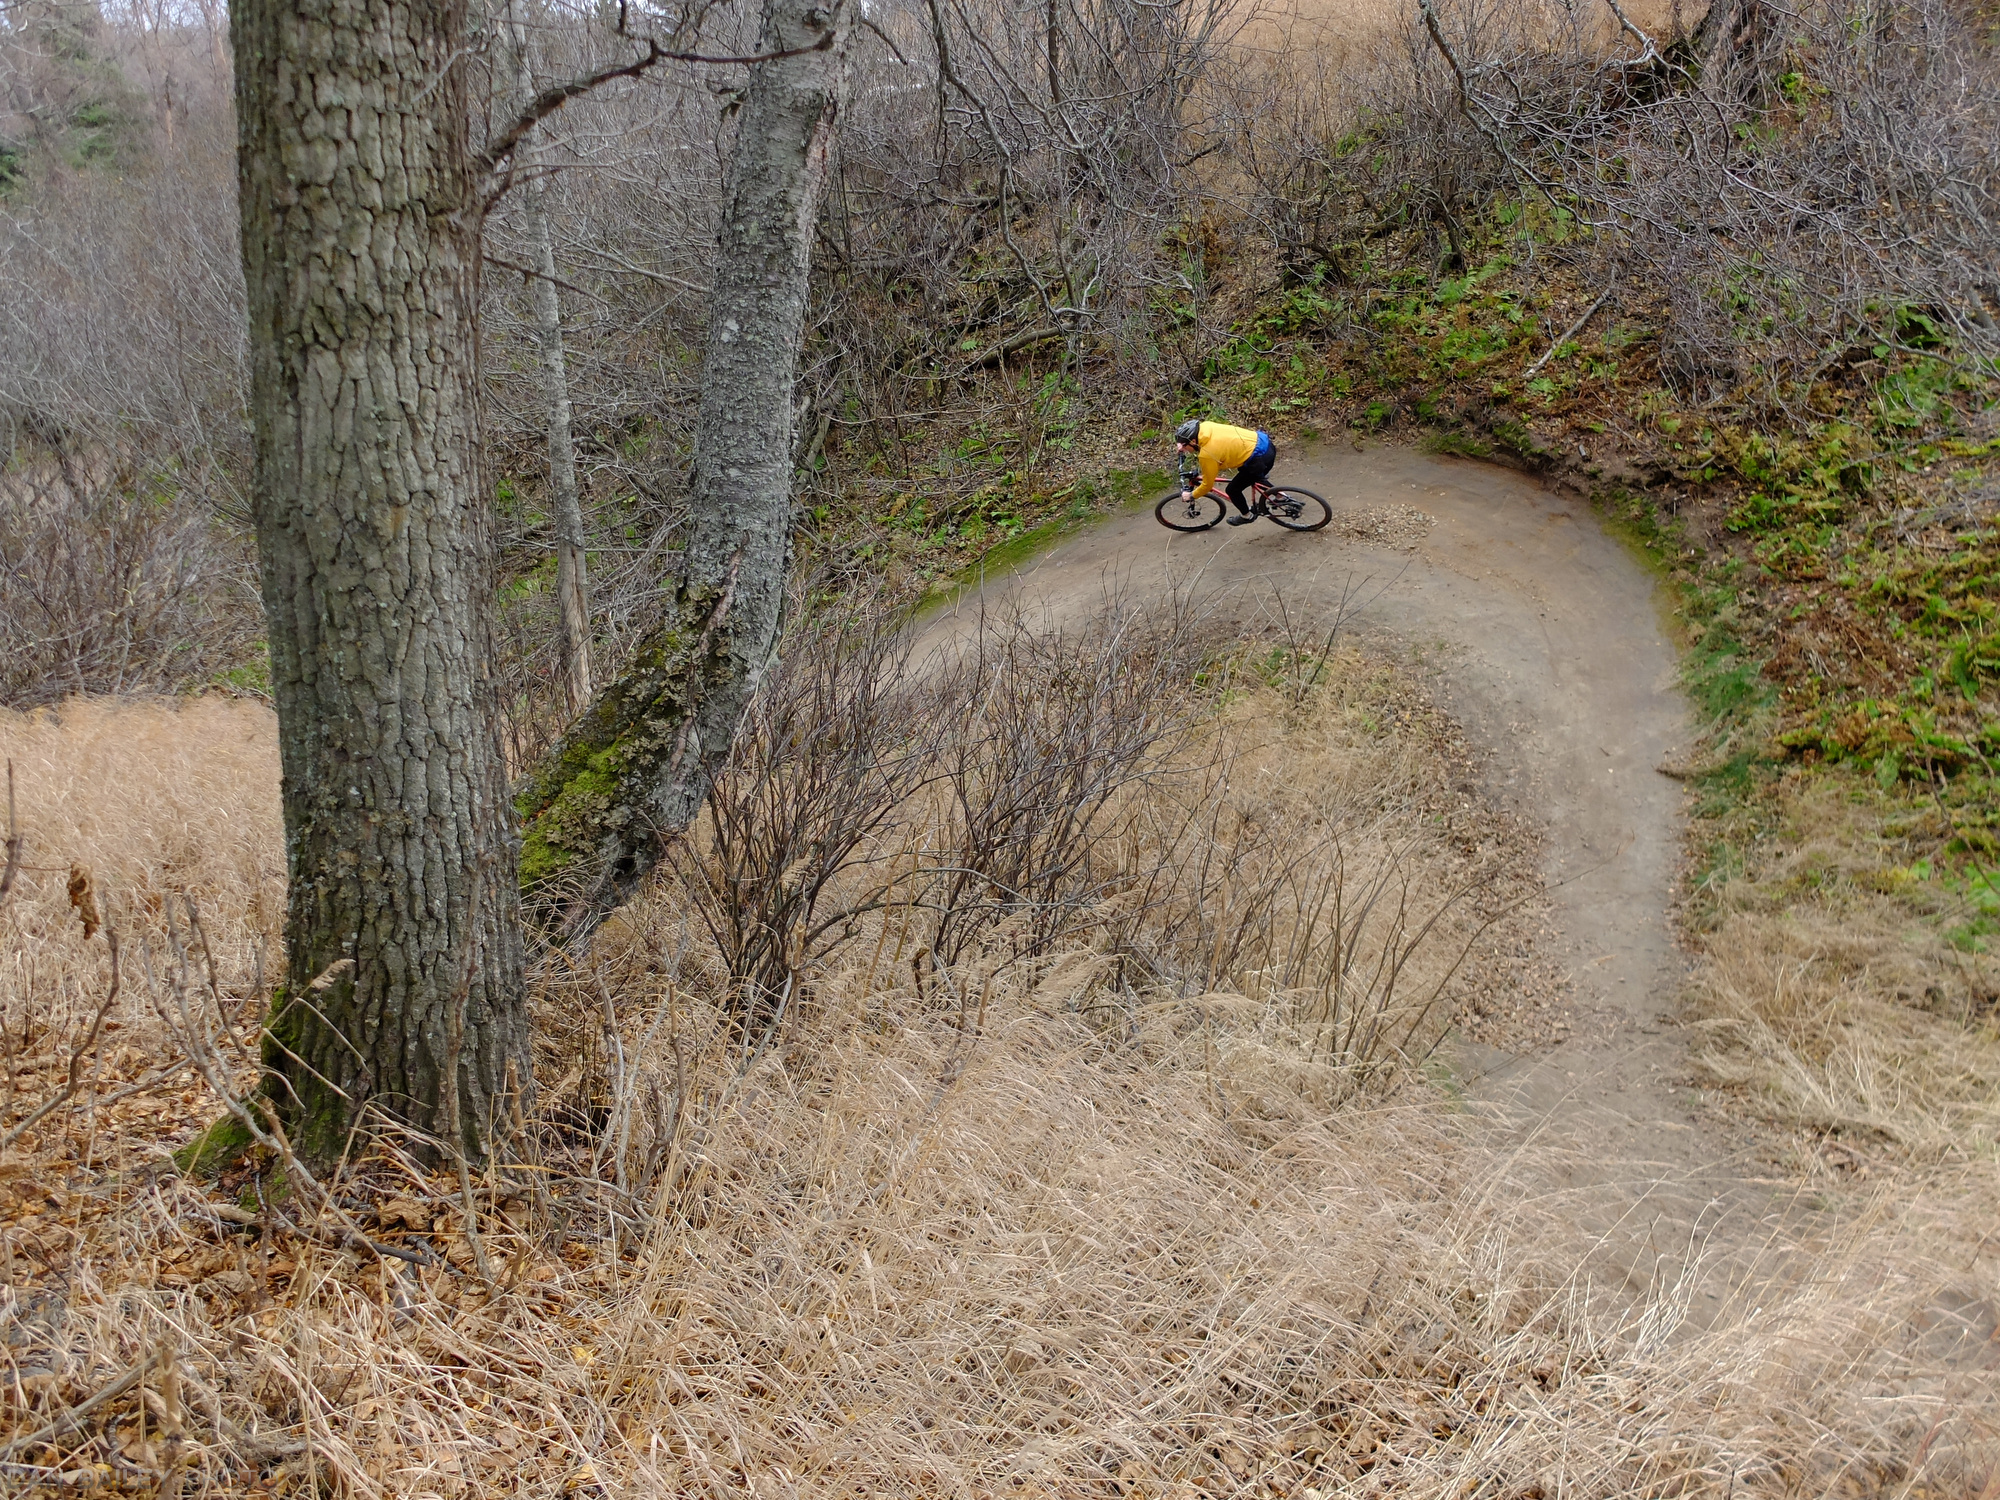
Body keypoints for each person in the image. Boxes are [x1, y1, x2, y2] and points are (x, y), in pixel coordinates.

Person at [1175, 417, 1276, 526]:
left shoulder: (1207, 455)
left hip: (1259, 458)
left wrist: (1191, 496)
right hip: (1264, 443)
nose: (1182, 448)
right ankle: (1280, 496)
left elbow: (1207, 485)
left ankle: (1247, 516)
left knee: (1233, 490)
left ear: (1193, 441)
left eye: (1184, 445)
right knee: (1249, 475)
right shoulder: (1206, 426)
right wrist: (1183, 445)